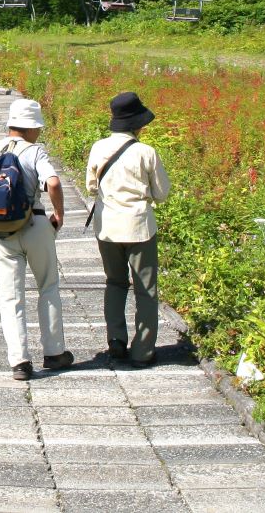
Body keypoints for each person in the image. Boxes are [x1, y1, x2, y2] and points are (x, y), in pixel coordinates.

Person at [0, 97, 72, 379]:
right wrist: (59, 214)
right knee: (48, 286)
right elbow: (52, 182)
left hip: (2, 231)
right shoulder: (35, 152)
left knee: (10, 296)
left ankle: (19, 362)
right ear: (30, 128)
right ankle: (54, 353)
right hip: (37, 223)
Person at [85, 91, 172, 366]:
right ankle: (143, 349)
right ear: (138, 124)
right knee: (146, 288)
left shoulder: (99, 148)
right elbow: (161, 193)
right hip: (138, 227)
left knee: (115, 282)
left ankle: (116, 341)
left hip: (107, 226)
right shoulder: (146, 153)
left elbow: (90, 187)